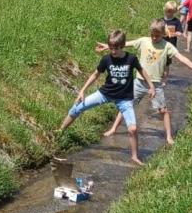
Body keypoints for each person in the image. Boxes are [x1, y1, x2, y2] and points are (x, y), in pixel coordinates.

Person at [105, 20, 192, 146]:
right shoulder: (144, 41)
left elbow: (182, 58)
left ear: (164, 34)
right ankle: (113, 129)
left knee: (163, 110)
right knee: (126, 106)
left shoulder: (167, 46)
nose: (154, 37)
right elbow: (123, 44)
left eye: (157, 35)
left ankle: (169, 137)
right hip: (139, 81)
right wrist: (107, 46)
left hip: (156, 84)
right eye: (152, 35)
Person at [59, 30, 155, 165]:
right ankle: (60, 131)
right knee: (78, 107)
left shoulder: (131, 59)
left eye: (116, 48)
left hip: (124, 99)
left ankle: (134, 156)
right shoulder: (106, 59)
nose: (113, 51)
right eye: (111, 48)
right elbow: (95, 75)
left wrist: (151, 86)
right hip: (105, 93)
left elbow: (142, 71)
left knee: (132, 129)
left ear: (122, 46)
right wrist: (82, 91)